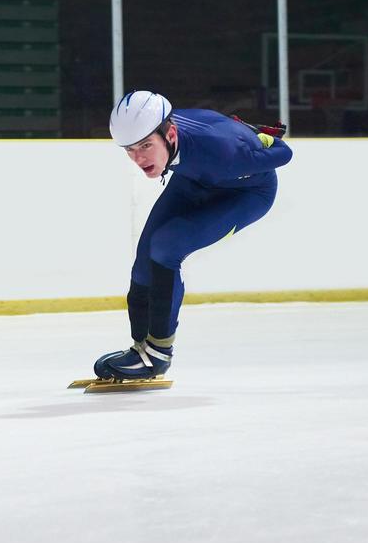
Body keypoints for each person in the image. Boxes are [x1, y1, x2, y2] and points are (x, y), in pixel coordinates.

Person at [95, 90, 292, 381]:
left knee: (165, 248)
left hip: (245, 193)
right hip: (195, 180)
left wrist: (259, 139)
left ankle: (157, 356)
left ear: (170, 134)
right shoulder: (170, 132)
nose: (138, 158)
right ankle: (140, 350)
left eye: (146, 146)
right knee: (143, 261)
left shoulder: (223, 154)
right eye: (130, 149)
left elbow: (284, 153)